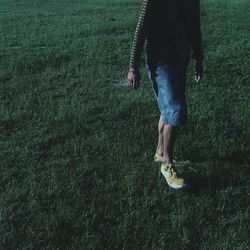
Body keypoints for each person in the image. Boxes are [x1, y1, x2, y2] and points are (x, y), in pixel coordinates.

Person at [127, 0, 204, 188]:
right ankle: (167, 164)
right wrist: (132, 67)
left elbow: (194, 26)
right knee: (175, 110)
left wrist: (199, 57)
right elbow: (141, 29)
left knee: (167, 108)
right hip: (160, 61)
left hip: (181, 58)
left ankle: (160, 151)